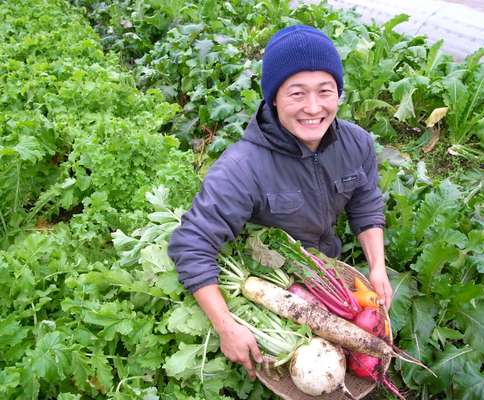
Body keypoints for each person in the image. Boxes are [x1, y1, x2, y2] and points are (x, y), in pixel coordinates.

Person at [168, 25, 392, 380]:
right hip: (274, 290)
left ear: (339, 93)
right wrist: (226, 326)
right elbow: (191, 245)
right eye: (297, 94)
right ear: (273, 98)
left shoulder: (357, 143)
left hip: (326, 274)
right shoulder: (242, 167)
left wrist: (377, 267)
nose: (313, 108)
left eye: (325, 91)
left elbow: (365, 204)